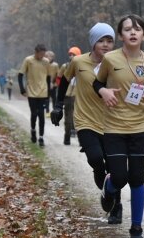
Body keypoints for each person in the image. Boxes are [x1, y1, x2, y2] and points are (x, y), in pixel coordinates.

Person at [93, 14, 144, 238]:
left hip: (140, 128)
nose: (133, 32)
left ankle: (136, 229)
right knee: (120, 177)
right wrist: (104, 92)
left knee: (137, 178)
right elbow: (97, 83)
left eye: (137, 29)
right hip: (113, 127)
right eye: (127, 29)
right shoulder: (110, 59)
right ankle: (109, 187)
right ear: (121, 35)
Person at [53, 25, 124, 223]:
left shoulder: (118, 61)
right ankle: (101, 178)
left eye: (109, 41)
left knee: (114, 167)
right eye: (101, 41)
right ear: (93, 42)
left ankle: (115, 205)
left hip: (111, 121)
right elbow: (65, 81)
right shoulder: (78, 61)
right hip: (85, 120)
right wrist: (58, 105)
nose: (106, 45)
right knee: (95, 158)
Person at [18, 44, 50, 146]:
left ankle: (41, 137)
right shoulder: (28, 60)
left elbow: (48, 77)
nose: (42, 56)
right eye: (40, 54)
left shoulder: (46, 61)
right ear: (36, 52)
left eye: (43, 54)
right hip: (31, 91)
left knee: (41, 115)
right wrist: (22, 89)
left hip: (43, 91)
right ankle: (33, 130)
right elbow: (20, 75)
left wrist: (49, 91)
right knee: (34, 114)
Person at [59, 46, 81, 145]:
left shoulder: (83, 66)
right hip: (68, 95)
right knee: (68, 117)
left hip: (79, 95)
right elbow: (59, 78)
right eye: (70, 54)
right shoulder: (65, 66)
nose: (71, 56)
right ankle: (67, 138)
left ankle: (82, 141)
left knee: (80, 118)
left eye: (74, 54)